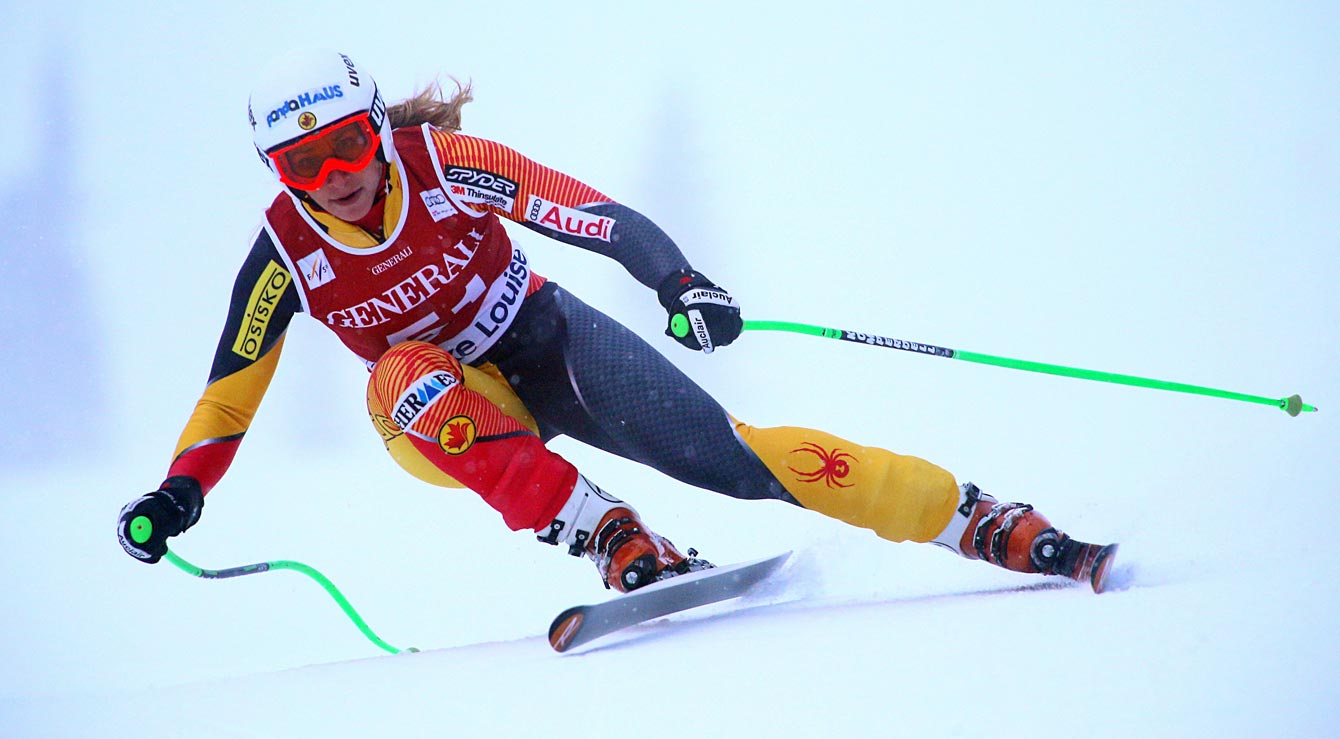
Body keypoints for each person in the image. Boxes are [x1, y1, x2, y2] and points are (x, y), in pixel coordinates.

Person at [117, 50, 1117, 595]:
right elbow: (228, 393)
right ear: (277, 175)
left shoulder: (442, 165)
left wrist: (677, 279)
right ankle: (607, 533)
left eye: (344, 148)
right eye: (304, 167)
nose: (333, 181)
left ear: (378, 128)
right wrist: (179, 492)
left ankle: (972, 517)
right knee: (404, 375)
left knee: (736, 460)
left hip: (545, 338)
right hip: (446, 415)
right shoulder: (287, 249)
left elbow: (587, 213)